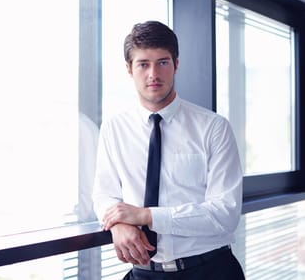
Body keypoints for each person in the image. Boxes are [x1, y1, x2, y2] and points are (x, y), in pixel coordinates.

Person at [92, 21, 245, 279]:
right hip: (144, 273)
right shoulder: (114, 128)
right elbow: (104, 195)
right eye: (143, 64)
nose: (153, 73)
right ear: (129, 69)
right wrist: (117, 223)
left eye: (162, 62)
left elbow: (225, 213)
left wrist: (147, 216)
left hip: (211, 271)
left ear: (176, 64)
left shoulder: (214, 128)